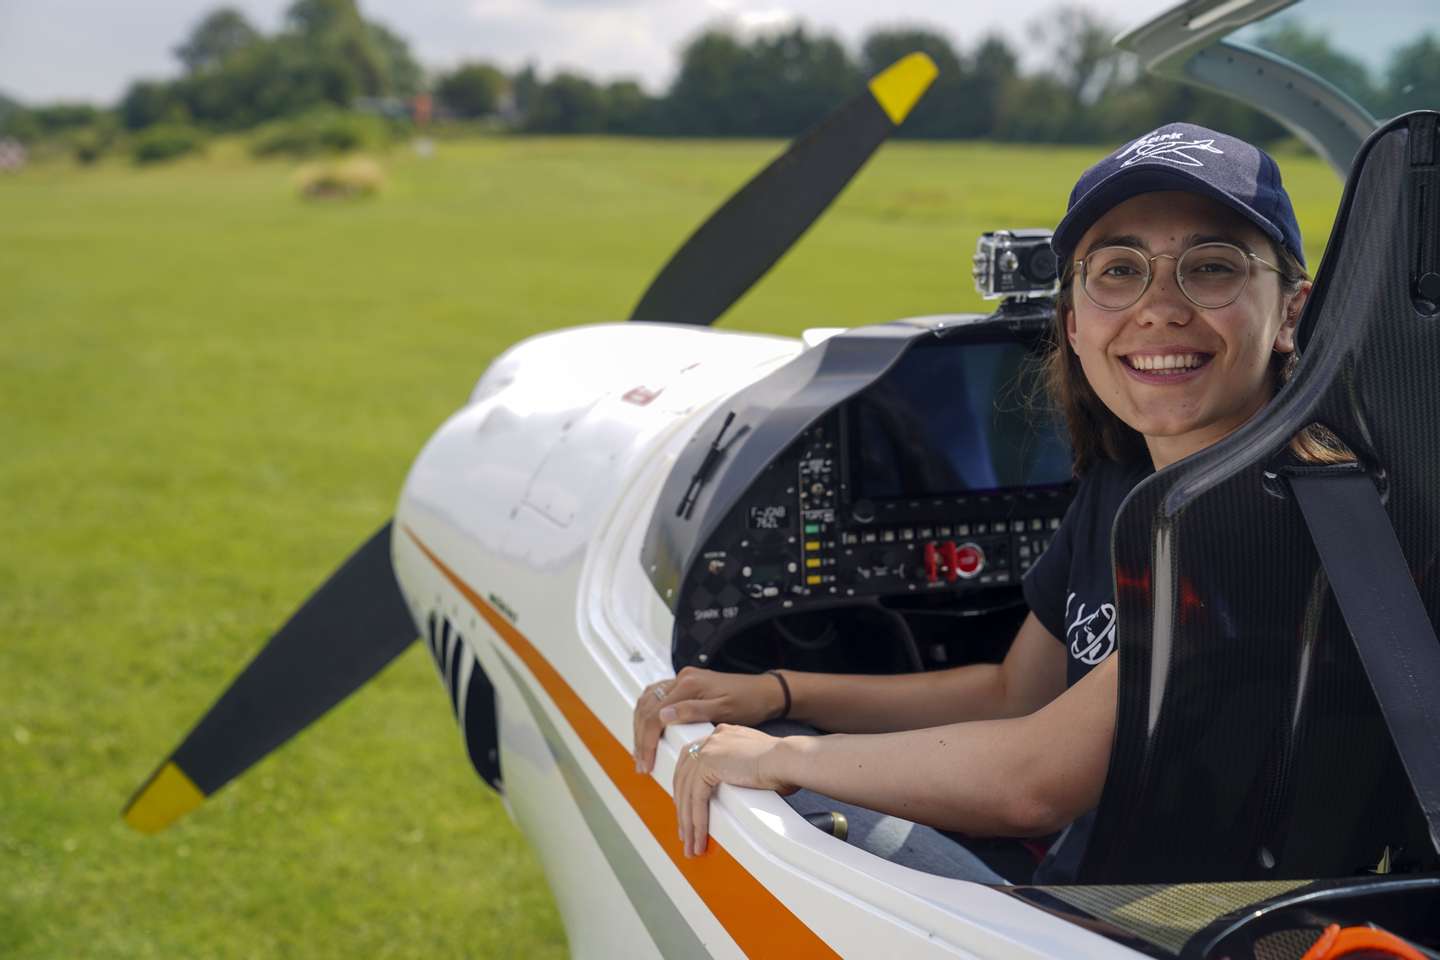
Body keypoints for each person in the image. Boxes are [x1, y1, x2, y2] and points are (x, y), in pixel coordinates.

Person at [632, 122, 1313, 883]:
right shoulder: (1126, 489)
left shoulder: (1269, 523)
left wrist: (787, 755)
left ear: (1290, 312)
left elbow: (1035, 784)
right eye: (1118, 270)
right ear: (1074, 325)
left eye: (1211, 267)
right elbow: (1014, 694)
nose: (1159, 307)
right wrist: (778, 692)